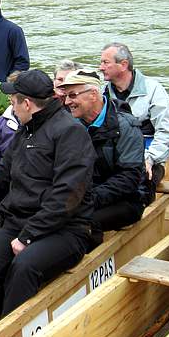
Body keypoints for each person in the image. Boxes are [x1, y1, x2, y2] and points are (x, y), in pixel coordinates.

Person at [0, 69, 97, 316]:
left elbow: (66, 196)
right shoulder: (25, 132)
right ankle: (8, 316)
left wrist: (28, 237)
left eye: (13, 102)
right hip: (18, 222)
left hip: (65, 229)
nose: (11, 108)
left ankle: (14, 331)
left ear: (27, 104)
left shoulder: (71, 133)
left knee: (23, 268)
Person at [60, 69, 146, 232]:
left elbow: (129, 178)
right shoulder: (69, 125)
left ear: (93, 94)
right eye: (65, 96)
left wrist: (87, 199)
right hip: (83, 195)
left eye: (72, 95)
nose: (67, 102)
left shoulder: (126, 126)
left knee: (77, 224)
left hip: (125, 200)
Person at [100, 42, 169, 197]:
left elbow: (167, 132)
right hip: (115, 159)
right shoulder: (101, 94)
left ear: (123, 65)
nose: (100, 67)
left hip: (149, 159)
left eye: (105, 62)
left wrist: (149, 159)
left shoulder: (153, 89)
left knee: (139, 185)